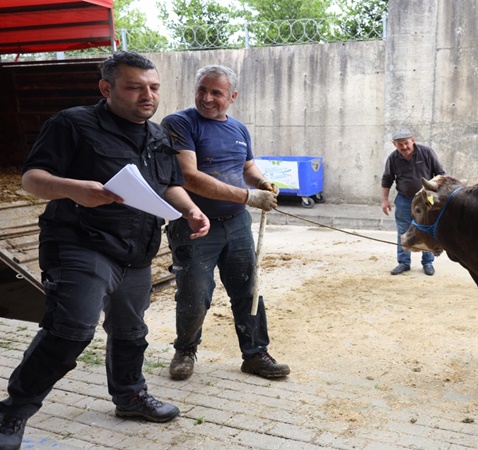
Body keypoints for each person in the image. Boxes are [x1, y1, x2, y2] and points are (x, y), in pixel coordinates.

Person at [0, 51, 210, 449]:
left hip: (138, 248)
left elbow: (167, 184)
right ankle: (14, 410)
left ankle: (130, 395)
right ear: (106, 88)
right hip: (80, 240)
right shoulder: (73, 123)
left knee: (131, 331)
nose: (147, 96)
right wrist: (75, 188)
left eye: (153, 87)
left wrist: (192, 209)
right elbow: (32, 178)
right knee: (72, 328)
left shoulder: (159, 135)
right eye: (134, 87)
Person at [161, 65, 290, 382]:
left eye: (216, 92)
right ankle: (185, 350)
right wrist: (247, 197)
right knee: (194, 293)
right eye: (202, 90)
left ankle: (255, 354)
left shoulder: (239, 130)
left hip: (236, 224)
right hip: (193, 225)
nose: (207, 98)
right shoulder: (179, 123)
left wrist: (261, 183)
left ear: (232, 97)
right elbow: (189, 177)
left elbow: (246, 167)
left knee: (249, 289)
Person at [381, 128, 446, 276]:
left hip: (425, 199)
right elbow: (387, 179)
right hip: (404, 199)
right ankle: (403, 263)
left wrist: (437, 196)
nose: (404, 147)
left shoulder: (426, 152)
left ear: (413, 140)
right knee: (403, 230)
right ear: (394, 145)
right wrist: (385, 200)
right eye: (399, 144)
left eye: (406, 143)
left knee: (427, 228)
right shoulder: (393, 158)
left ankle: (428, 262)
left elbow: (440, 174)